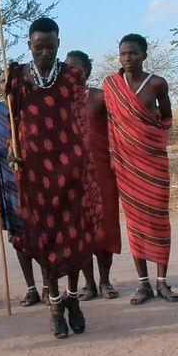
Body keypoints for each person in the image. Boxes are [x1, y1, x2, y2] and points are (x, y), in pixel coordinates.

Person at [1, 17, 102, 339]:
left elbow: (80, 119)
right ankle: (55, 306)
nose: (44, 52)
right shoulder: (15, 78)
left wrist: (84, 161)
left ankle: (73, 300)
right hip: (33, 170)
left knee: (72, 236)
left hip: (69, 166)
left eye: (50, 46)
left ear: (59, 44)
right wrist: (11, 149)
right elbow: (13, 120)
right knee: (44, 237)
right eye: (38, 46)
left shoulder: (73, 75)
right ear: (29, 45)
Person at [103, 34, 176, 305]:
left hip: (153, 162)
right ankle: (143, 285)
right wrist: (113, 152)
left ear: (144, 54)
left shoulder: (157, 83)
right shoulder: (111, 84)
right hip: (126, 163)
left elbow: (166, 117)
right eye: (123, 54)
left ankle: (162, 283)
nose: (127, 58)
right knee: (134, 222)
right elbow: (111, 122)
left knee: (158, 219)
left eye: (133, 53)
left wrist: (151, 137)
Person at [65, 51, 121, 300]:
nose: (70, 72)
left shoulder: (100, 97)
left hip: (101, 171)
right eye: (65, 68)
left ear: (86, 70)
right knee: (80, 228)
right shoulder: (58, 102)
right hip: (72, 173)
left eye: (74, 68)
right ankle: (88, 284)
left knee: (105, 225)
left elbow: (119, 127)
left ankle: (106, 281)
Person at [0, 98, 47, 306]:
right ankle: (31, 288)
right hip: (8, 181)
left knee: (42, 235)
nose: (7, 83)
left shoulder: (32, 107)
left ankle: (48, 285)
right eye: (2, 80)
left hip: (35, 179)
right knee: (18, 238)